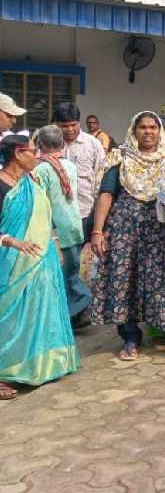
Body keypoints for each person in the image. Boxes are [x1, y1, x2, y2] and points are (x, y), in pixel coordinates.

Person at [90, 112, 165, 360]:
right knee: (126, 280)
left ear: (159, 131)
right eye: (142, 127)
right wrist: (97, 231)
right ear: (133, 130)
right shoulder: (121, 157)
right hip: (125, 228)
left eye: (153, 127)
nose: (148, 132)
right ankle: (130, 337)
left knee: (164, 279)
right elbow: (106, 194)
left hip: (160, 229)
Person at [0, 135, 80, 401]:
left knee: (36, 311)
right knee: (10, 318)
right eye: (33, 152)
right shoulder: (1, 186)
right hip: (9, 263)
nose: (37, 156)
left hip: (40, 260)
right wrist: (12, 242)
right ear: (17, 154)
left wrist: (54, 245)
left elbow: (45, 218)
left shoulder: (31, 182)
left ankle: (39, 366)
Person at [33, 125, 90, 324]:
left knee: (62, 276)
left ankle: (80, 304)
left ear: (39, 144)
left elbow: (39, 201)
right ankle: (76, 313)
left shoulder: (41, 169)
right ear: (63, 143)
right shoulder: (70, 165)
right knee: (71, 271)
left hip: (56, 231)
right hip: (73, 226)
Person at [55, 102, 105, 235]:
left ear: (79, 122)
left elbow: (101, 179)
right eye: (65, 126)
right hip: (56, 215)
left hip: (85, 213)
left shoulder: (93, 145)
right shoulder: (48, 144)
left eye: (74, 125)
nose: (70, 129)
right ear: (57, 125)